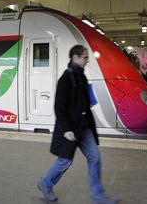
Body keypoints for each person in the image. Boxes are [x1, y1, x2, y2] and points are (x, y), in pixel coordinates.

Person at [37, 45, 119, 204]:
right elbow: (59, 107)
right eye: (85, 57)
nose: (87, 60)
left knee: (94, 157)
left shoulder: (81, 76)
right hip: (71, 128)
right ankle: (45, 183)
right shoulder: (66, 79)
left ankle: (98, 196)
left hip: (84, 127)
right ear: (75, 57)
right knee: (65, 161)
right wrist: (66, 129)